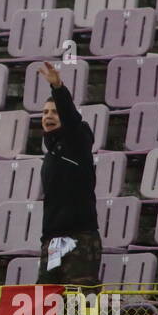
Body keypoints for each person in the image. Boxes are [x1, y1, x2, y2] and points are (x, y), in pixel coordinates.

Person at [37, 61, 101, 287]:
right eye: (44, 112)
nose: (48, 116)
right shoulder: (51, 153)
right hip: (53, 242)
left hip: (79, 239)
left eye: (54, 111)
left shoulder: (77, 141)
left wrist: (58, 88)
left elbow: (72, 120)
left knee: (80, 310)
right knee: (44, 306)